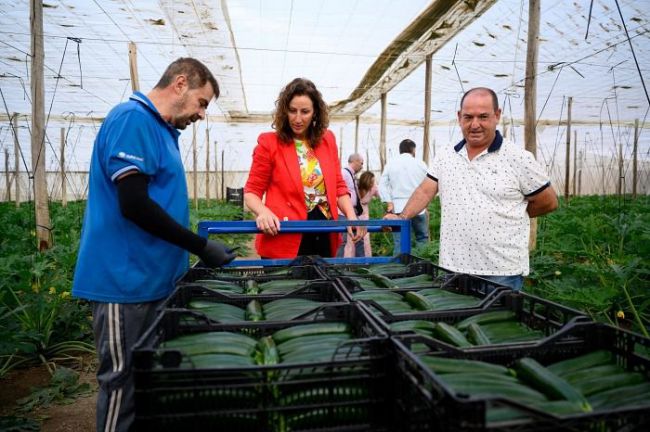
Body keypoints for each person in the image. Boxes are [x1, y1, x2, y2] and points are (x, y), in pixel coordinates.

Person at [72, 58, 236, 432]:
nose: (202, 114)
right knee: (122, 383)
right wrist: (199, 246)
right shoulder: (133, 119)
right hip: (124, 283)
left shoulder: (162, 131)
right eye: (203, 102)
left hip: (152, 279)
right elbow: (133, 203)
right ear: (181, 84)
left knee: (147, 382)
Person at [386, 87, 558, 290]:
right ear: (459, 117)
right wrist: (402, 216)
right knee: (455, 321)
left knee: (497, 321)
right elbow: (425, 190)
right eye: (468, 117)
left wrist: (513, 213)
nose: (475, 124)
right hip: (454, 268)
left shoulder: (518, 158)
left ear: (497, 115)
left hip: (501, 273)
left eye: (483, 116)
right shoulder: (446, 155)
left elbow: (548, 201)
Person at [244, 77, 365, 258]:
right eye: (292, 111)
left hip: (323, 231)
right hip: (284, 234)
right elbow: (252, 191)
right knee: (287, 286)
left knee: (321, 284)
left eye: (305, 111)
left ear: (315, 112)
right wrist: (263, 212)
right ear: (284, 111)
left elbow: (339, 186)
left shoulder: (327, 140)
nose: (298, 119)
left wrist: (350, 214)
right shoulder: (269, 143)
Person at [379, 138, 430, 254]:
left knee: (400, 241)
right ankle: (419, 267)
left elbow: (382, 184)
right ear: (413, 150)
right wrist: (425, 204)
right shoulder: (420, 164)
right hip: (419, 208)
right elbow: (428, 185)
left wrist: (388, 201)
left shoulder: (391, 163)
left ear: (400, 150)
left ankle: (399, 269)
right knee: (421, 238)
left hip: (399, 208)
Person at [336, 153, 365, 257]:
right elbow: (338, 191)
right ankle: (336, 265)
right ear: (355, 161)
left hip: (352, 212)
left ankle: (362, 264)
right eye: (361, 163)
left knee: (359, 238)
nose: (362, 166)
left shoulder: (351, 175)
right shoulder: (344, 173)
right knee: (341, 240)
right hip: (342, 212)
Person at [348, 170, 381, 257]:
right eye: (371, 181)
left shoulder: (373, 189)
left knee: (365, 238)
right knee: (352, 238)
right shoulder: (356, 187)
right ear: (366, 180)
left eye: (373, 182)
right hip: (355, 213)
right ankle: (350, 260)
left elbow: (382, 196)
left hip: (365, 215)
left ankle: (365, 260)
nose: (372, 183)